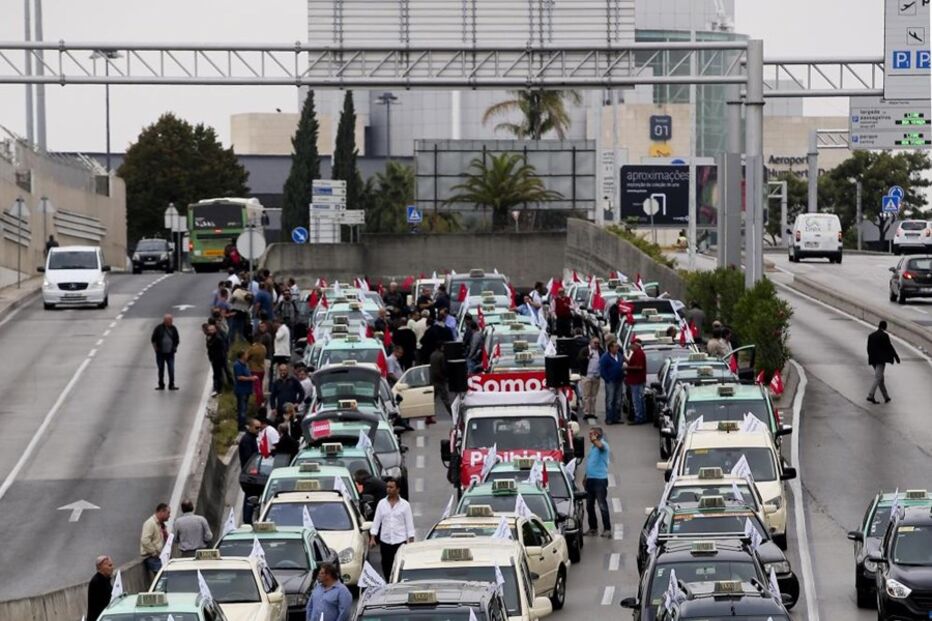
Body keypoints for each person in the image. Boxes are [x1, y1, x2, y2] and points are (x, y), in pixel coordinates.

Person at [369, 477, 416, 578]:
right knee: (386, 565)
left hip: (400, 541)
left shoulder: (405, 505)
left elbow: (409, 524)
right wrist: (373, 537)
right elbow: (376, 521)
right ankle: (388, 583)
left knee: (399, 564)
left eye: (391, 487)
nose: (388, 489)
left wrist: (411, 541)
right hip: (385, 541)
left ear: (397, 489)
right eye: (387, 487)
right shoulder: (382, 504)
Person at [583, 427, 611, 538]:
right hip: (591, 479)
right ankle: (593, 528)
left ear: (597, 435)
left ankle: (607, 529)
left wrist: (595, 440)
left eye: (591, 434)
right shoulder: (592, 448)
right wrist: (586, 477)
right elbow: (590, 463)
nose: (589, 436)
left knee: (602, 505)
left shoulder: (603, 445)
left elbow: (601, 447)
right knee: (589, 505)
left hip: (600, 480)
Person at [867, 320, 900, 404]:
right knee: (878, 378)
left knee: (880, 379)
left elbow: (868, 349)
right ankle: (871, 395)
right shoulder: (884, 336)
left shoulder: (871, 336)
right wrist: (896, 356)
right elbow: (889, 347)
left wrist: (871, 357)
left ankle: (886, 397)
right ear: (884, 326)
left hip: (873, 359)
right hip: (880, 360)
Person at [140, 503, 171, 578]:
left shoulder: (160, 524)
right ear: (161, 512)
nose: (169, 516)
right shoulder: (150, 523)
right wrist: (154, 552)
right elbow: (145, 540)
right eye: (168, 513)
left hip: (158, 556)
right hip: (152, 557)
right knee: (162, 577)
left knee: (165, 576)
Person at [238, 419, 260, 523]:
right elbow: (249, 458)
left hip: (251, 474)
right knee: (250, 497)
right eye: (256, 428)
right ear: (250, 427)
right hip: (249, 475)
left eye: (259, 428)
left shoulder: (252, 438)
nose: (258, 430)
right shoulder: (247, 440)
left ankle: (249, 518)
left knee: (251, 497)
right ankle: (247, 519)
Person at [151, 313, 180, 391]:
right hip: (160, 353)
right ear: (165, 320)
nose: (171, 321)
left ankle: (171, 384)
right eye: (169, 320)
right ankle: (161, 384)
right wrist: (155, 349)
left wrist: (175, 347)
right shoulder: (158, 328)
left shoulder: (173, 328)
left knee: (171, 369)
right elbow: (153, 339)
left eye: (171, 320)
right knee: (161, 369)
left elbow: (177, 339)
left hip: (170, 353)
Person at [577, 337, 603, 421]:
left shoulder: (600, 351)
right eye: (595, 343)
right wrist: (588, 357)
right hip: (587, 376)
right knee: (586, 396)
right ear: (590, 343)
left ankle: (592, 412)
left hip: (596, 376)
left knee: (593, 396)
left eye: (598, 343)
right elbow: (579, 359)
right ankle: (586, 412)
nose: (596, 345)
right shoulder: (585, 350)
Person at [599, 341, 625, 425]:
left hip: (619, 380)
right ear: (610, 348)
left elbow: (621, 365)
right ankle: (609, 418)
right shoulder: (605, 357)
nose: (617, 348)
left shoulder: (620, 356)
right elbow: (602, 370)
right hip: (610, 381)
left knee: (618, 400)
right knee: (610, 400)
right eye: (615, 347)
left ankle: (616, 417)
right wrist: (607, 379)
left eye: (617, 347)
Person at [625, 338, 648, 424]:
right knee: (640, 399)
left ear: (635, 345)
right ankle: (642, 416)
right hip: (637, 379)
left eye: (632, 345)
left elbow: (639, 367)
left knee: (637, 400)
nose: (630, 347)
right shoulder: (637, 353)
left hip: (636, 380)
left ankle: (639, 417)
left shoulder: (639, 353)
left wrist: (627, 368)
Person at [233, 350, 257, 429]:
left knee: (244, 408)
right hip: (241, 391)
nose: (247, 355)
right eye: (246, 354)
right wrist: (251, 378)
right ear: (242, 356)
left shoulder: (244, 364)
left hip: (246, 390)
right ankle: (241, 426)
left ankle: (243, 423)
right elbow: (239, 377)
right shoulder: (237, 365)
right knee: (242, 409)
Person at [86, 555, 114, 621]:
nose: (111, 567)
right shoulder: (97, 582)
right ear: (99, 567)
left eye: (111, 565)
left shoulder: (105, 580)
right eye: (107, 564)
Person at [428, 344, 449, 425]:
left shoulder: (432, 355)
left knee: (431, 400)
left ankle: (428, 417)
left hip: (433, 380)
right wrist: (446, 377)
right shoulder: (441, 355)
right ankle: (453, 415)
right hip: (440, 380)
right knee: (446, 400)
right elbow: (443, 367)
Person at [205, 324, 227, 397]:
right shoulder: (209, 337)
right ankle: (217, 389)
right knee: (216, 374)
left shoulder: (217, 338)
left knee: (218, 375)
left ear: (215, 330)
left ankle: (218, 389)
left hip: (218, 359)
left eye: (212, 330)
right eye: (209, 330)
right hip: (214, 358)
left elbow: (219, 349)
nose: (211, 331)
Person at [246, 336, 267, 408]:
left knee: (256, 388)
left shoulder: (253, 348)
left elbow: (246, 357)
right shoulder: (264, 348)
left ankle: (258, 402)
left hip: (254, 370)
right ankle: (261, 400)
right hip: (262, 369)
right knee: (260, 386)